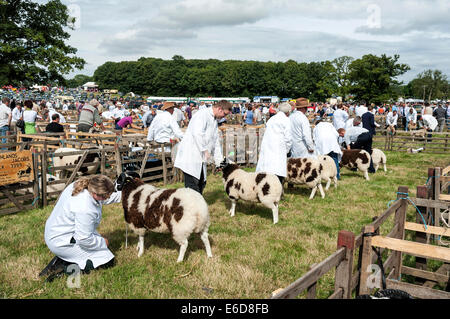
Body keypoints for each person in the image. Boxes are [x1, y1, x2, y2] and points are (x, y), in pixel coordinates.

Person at [40, 175, 121, 281]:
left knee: (102, 251)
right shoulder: (85, 207)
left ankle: (65, 258)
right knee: (107, 261)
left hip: (56, 232)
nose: (108, 197)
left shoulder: (83, 185)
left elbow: (104, 198)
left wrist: (127, 194)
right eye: (107, 195)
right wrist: (102, 242)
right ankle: (63, 268)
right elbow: (84, 239)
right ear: (96, 194)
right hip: (62, 240)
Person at [175, 100, 231, 194]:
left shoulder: (213, 120)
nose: (224, 117)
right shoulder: (202, 115)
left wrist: (219, 161)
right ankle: (192, 207)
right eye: (224, 114)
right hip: (191, 156)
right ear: (219, 109)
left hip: (200, 158)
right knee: (192, 187)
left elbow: (215, 142)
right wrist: (204, 150)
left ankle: (197, 206)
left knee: (201, 183)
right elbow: (197, 133)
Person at [255, 102, 292, 185]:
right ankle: (277, 190)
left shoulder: (272, 119)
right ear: (288, 112)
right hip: (279, 147)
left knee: (267, 167)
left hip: (268, 145)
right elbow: (288, 138)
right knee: (277, 168)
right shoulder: (286, 120)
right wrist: (287, 150)